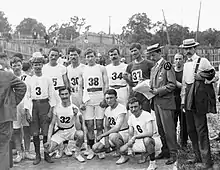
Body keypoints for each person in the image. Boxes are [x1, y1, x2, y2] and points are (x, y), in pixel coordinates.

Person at [180, 38, 216, 169]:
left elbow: (214, 76)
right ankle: (197, 156)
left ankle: (207, 161)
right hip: (188, 98)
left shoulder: (203, 61)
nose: (188, 51)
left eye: (190, 48)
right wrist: (183, 101)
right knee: (191, 129)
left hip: (199, 98)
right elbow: (184, 85)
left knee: (201, 129)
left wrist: (203, 78)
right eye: (186, 49)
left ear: (195, 48)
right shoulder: (185, 64)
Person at [148, 43, 178, 165]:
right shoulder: (154, 67)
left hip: (165, 102)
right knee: (160, 129)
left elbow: (172, 84)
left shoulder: (166, 65)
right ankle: (165, 150)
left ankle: (173, 153)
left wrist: (158, 91)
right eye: (150, 55)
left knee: (168, 130)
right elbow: (153, 83)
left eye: (153, 54)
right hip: (156, 102)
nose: (151, 57)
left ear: (159, 53)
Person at [24, 55, 56, 165]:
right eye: (35, 64)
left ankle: (46, 153)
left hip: (44, 104)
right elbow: (27, 96)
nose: (37, 66)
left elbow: (52, 95)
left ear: (42, 65)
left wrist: (51, 110)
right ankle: (38, 154)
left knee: (46, 130)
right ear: (32, 66)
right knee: (35, 132)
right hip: (34, 105)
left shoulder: (47, 79)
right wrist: (27, 111)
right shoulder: (29, 79)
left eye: (39, 64)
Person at [79, 48, 109, 160]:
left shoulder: (101, 68)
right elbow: (80, 87)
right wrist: (82, 101)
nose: (90, 58)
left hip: (99, 98)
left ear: (95, 57)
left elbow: (106, 83)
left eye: (92, 56)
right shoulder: (82, 69)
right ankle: (91, 148)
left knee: (100, 125)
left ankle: (99, 148)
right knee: (90, 125)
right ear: (85, 58)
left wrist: (105, 99)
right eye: (88, 56)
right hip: (88, 100)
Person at [44, 86, 86, 163]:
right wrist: (48, 140)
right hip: (60, 131)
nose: (64, 96)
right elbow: (52, 124)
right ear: (59, 95)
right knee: (48, 149)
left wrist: (76, 115)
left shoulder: (74, 107)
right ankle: (59, 147)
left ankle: (77, 153)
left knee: (80, 134)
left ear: (70, 94)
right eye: (62, 94)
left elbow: (78, 127)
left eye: (66, 94)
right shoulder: (57, 107)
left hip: (71, 130)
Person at [0, 53, 26, 170]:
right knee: (4, 144)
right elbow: (22, 87)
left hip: (5, 115)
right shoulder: (7, 75)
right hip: (5, 115)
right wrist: (12, 103)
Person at [118, 97, 157, 170]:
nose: (133, 109)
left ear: (140, 106)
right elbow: (130, 133)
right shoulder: (131, 117)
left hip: (151, 140)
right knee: (122, 150)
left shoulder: (146, 115)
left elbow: (150, 133)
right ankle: (144, 154)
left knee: (147, 140)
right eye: (131, 107)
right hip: (139, 139)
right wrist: (129, 146)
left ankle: (152, 163)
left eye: (135, 107)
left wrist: (135, 137)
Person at [92, 89, 129, 162]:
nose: (109, 100)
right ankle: (116, 148)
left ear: (116, 98)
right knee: (95, 148)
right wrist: (106, 142)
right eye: (107, 98)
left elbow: (117, 128)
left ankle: (123, 154)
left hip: (124, 132)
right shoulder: (107, 110)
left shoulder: (121, 108)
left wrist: (102, 135)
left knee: (114, 136)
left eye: (111, 98)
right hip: (112, 133)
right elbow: (106, 126)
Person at [10, 57, 35, 163]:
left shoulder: (27, 78)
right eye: (14, 65)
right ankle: (19, 152)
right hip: (14, 106)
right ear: (11, 66)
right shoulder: (9, 78)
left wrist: (28, 108)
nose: (16, 67)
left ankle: (27, 151)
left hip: (25, 106)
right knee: (16, 129)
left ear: (22, 65)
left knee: (26, 129)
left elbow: (29, 94)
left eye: (18, 65)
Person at [124, 43, 154, 112]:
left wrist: (146, 81)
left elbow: (153, 79)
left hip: (145, 95)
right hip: (135, 94)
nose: (134, 53)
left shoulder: (149, 63)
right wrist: (127, 79)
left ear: (140, 50)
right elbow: (131, 84)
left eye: (135, 50)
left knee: (145, 115)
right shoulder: (130, 66)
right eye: (132, 51)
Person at [173, 53, 188, 150]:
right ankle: (173, 143)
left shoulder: (186, 71)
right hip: (173, 100)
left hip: (183, 99)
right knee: (173, 122)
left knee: (184, 122)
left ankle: (184, 143)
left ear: (183, 60)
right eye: (176, 59)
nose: (178, 61)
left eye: (180, 59)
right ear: (174, 60)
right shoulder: (171, 72)